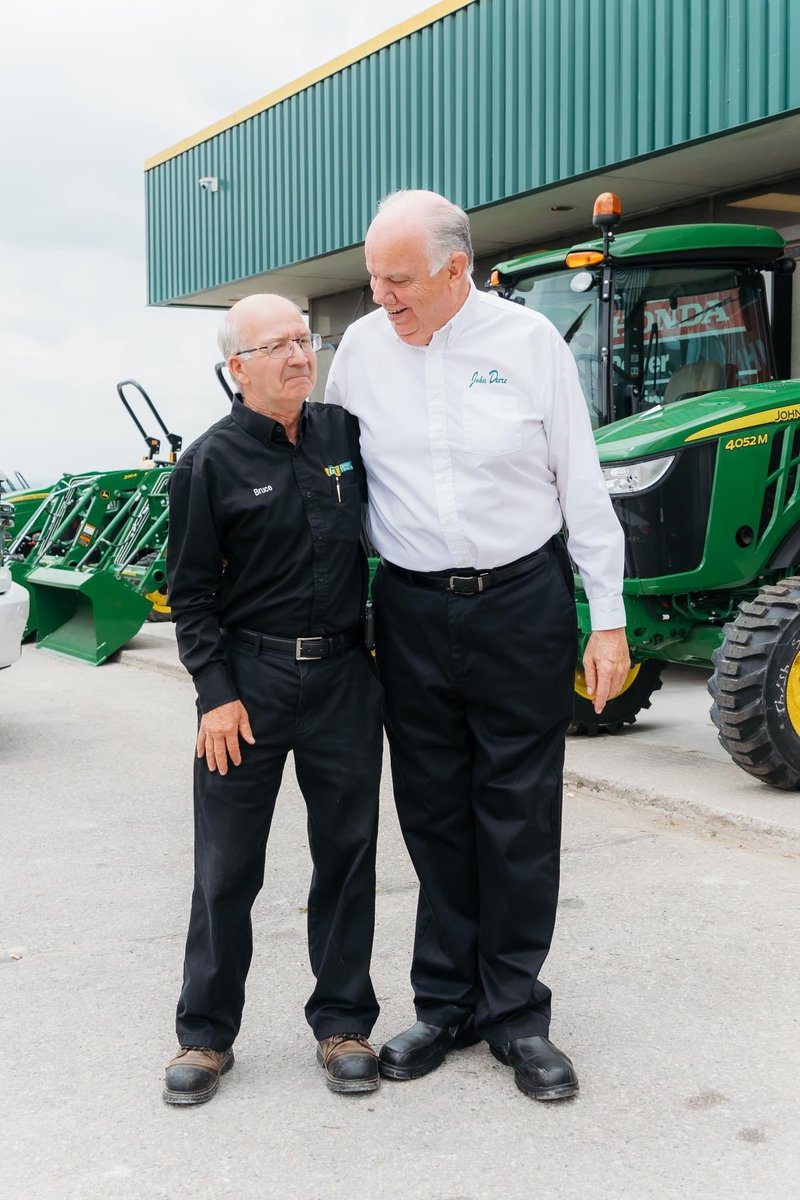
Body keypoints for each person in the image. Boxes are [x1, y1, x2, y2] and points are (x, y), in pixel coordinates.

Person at [325, 190, 629, 1102]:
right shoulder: (361, 353)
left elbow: (581, 481)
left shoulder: (529, 344)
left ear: (456, 269)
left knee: (519, 810)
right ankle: (446, 1002)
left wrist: (605, 618)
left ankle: (517, 1015)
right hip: (412, 609)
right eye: (374, 276)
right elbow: (330, 480)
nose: (380, 295)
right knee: (433, 810)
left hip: (521, 603)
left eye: (399, 279)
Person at [163, 294, 384, 1105]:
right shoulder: (208, 462)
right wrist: (213, 698)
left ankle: (343, 1022)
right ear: (238, 367)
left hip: (343, 681)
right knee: (227, 868)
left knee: (348, 855)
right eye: (277, 345)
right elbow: (188, 595)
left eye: (305, 338)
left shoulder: (342, 436)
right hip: (246, 689)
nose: (299, 355)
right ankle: (205, 1035)